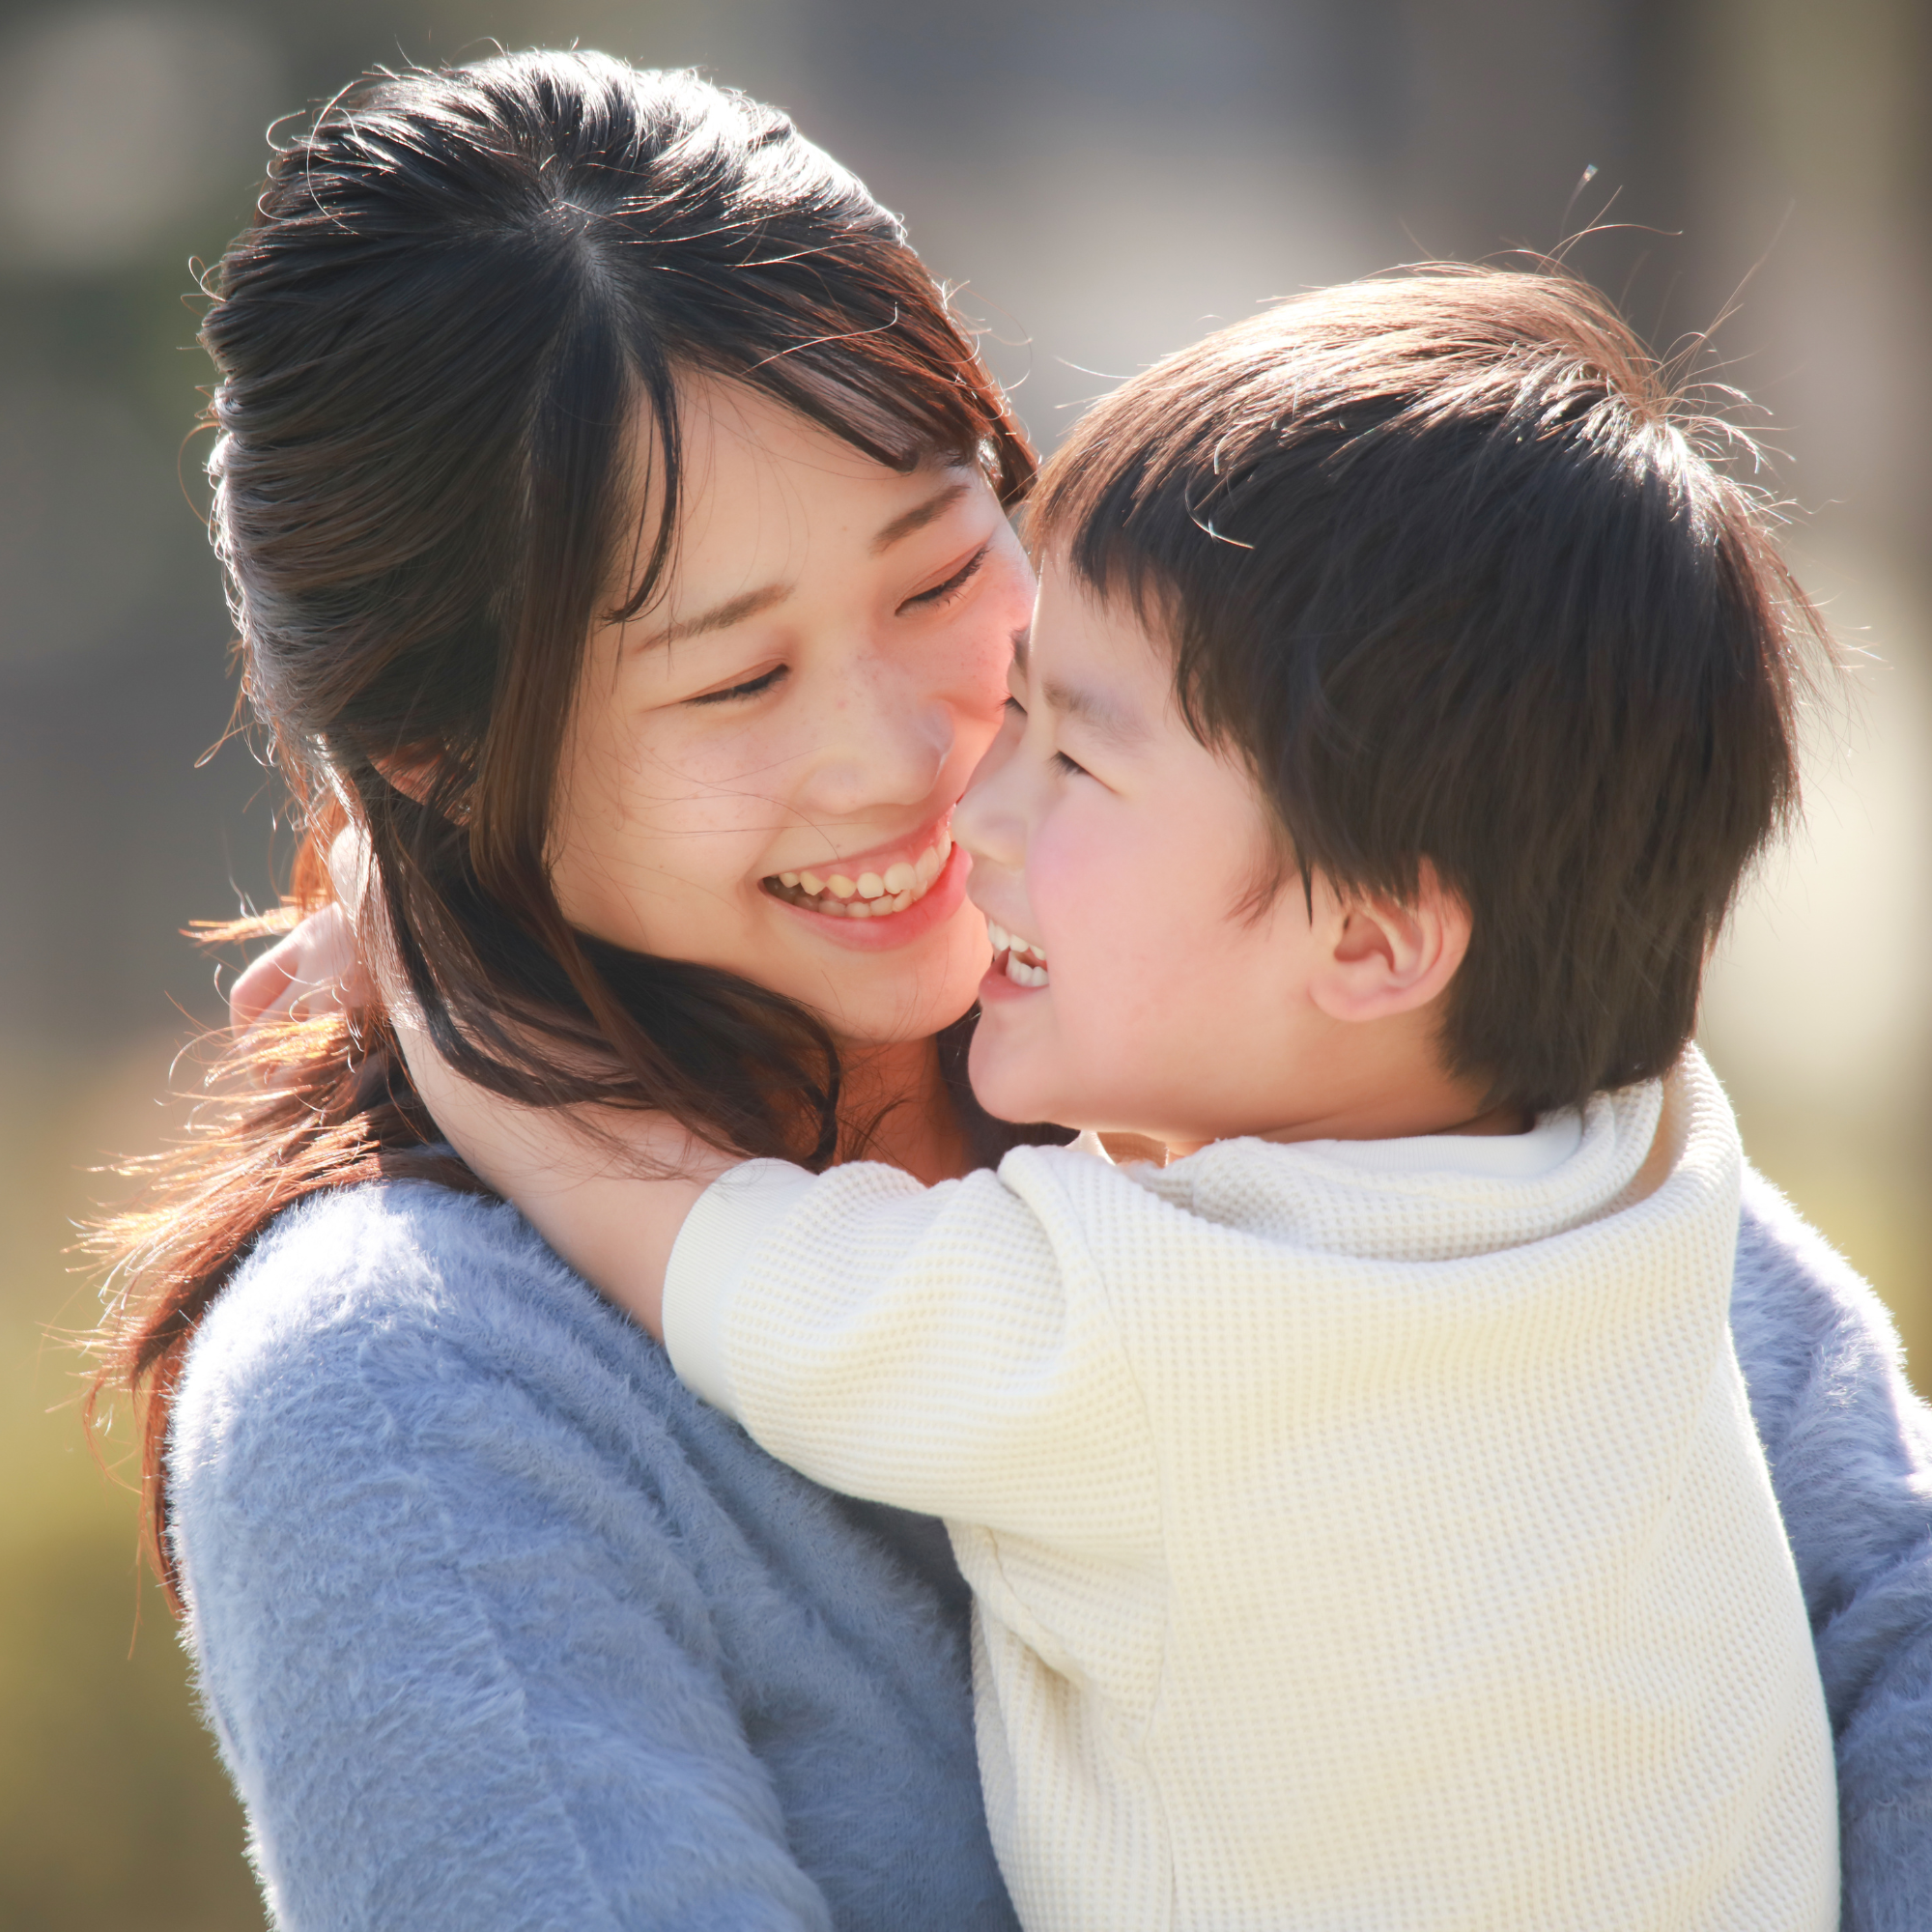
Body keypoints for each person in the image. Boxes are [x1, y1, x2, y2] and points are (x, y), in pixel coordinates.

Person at [95, 46, 1932, 1932]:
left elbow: (1889, 1601)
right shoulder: (408, 1392)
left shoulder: (1336, 1077)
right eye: (736, 683)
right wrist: (474, 1023)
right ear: (432, 753)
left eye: (935, 573)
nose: (917, 758)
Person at [396, 272, 1839, 1929]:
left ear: (1373, 937)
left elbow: (674, 1224)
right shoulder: (1652, 1154)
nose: (972, 806)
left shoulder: (1139, 1333)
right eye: (1018, 708)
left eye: (1074, 762)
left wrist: (426, 929)